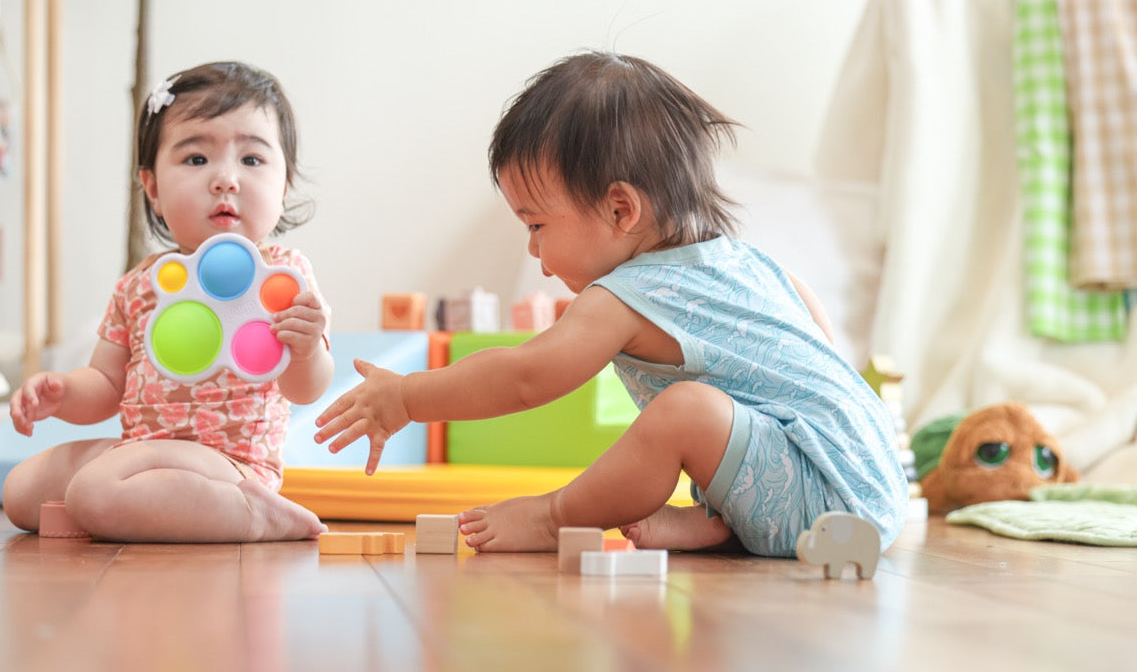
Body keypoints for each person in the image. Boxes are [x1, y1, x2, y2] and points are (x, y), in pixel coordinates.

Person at [316, 51, 908, 556]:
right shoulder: (754, 264)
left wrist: (407, 396)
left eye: (537, 224)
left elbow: (524, 377)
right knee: (716, 410)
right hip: (872, 482)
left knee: (685, 412)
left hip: (826, 503)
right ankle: (725, 524)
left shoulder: (626, 296)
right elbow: (821, 350)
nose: (534, 248)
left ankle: (554, 517)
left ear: (621, 210)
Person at [2, 61, 332, 543]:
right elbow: (106, 383)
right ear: (153, 188)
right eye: (197, 159)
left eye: (252, 160)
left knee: (93, 491)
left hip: (231, 465)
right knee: (21, 490)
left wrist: (305, 350)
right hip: (144, 449)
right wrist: (62, 393)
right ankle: (130, 507)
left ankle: (259, 514)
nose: (225, 179)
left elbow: (306, 389)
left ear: (283, 186)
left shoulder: (281, 276)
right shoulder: (140, 285)